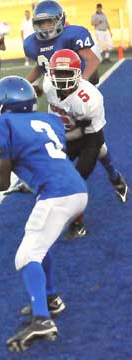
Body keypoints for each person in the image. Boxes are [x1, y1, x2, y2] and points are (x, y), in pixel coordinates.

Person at [0, 76, 88, 351]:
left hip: (57, 193)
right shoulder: (49, 121)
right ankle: (51, 299)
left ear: (0, 103)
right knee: (40, 245)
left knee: (27, 254)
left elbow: (3, 181)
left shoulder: (1, 124)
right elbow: (46, 153)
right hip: (76, 189)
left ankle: (42, 320)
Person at [43, 49, 128, 237]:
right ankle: (115, 177)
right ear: (51, 72)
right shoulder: (49, 86)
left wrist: (60, 138)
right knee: (54, 172)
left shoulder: (90, 99)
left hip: (88, 136)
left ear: (78, 74)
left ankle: (78, 223)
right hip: (63, 131)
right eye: (59, 73)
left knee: (76, 179)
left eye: (67, 73)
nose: (62, 79)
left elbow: (88, 133)